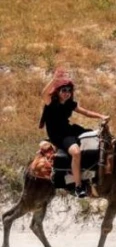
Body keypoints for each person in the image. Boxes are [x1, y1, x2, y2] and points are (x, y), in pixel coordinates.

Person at [39, 68, 109, 198]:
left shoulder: (70, 103)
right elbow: (44, 94)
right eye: (64, 90)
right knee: (76, 152)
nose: (67, 93)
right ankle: (78, 186)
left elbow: (86, 112)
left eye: (69, 90)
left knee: (96, 139)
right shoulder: (51, 103)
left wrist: (101, 116)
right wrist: (54, 80)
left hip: (69, 130)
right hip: (59, 135)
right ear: (58, 91)